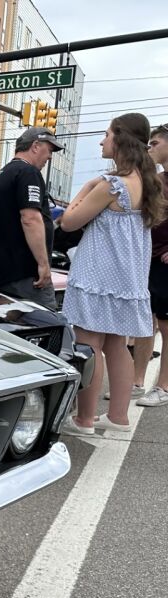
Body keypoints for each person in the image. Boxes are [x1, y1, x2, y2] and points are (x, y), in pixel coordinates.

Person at [59, 113, 166, 434]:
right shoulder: (147, 184)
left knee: (88, 345)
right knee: (117, 346)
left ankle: (84, 419)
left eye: (106, 134)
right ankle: (118, 416)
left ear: (120, 139)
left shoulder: (111, 186)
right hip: (128, 281)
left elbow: (68, 222)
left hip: (97, 278)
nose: (102, 141)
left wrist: (88, 186)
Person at [0, 127, 63, 309]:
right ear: (35, 146)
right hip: (25, 276)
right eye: (49, 150)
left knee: (4, 331)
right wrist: (43, 263)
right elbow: (30, 218)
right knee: (42, 327)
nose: (50, 157)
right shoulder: (28, 173)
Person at [134, 123, 168, 407]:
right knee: (144, 323)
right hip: (148, 258)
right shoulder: (157, 179)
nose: (149, 149)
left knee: (166, 326)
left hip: (165, 263)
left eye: (155, 143)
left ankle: (164, 386)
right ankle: (136, 382)